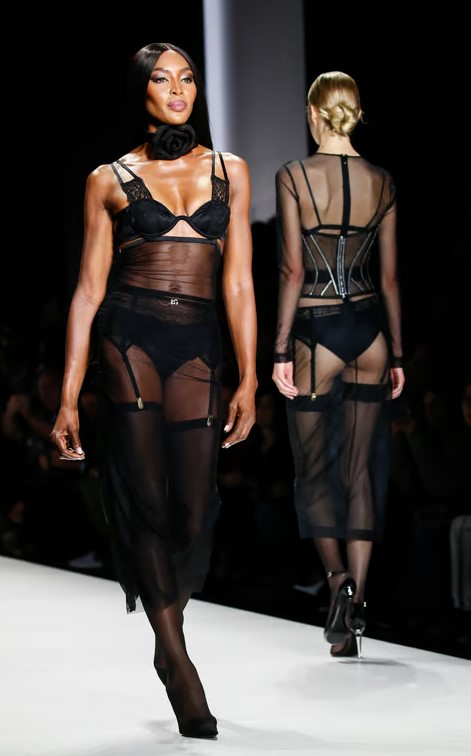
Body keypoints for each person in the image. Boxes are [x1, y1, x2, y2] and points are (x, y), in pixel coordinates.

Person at [50, 42, 257, 739]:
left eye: (187, 78)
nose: (178, 89)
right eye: (163, 78)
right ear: (140, 90)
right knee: (143, 496)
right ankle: (177, 660)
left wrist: (251, 375)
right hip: (129, 335)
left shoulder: (230, 170)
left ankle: (168, 636)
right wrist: (68, 396)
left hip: (199, 342)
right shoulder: (108, 178)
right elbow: (87, 291)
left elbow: (238, 282)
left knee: (194, 507)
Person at [272, 71, 405, 658]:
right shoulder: (383, 181)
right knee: (359, 473)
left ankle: (339, 585)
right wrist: (397, 353)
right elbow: (390, 278)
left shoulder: (294, 176)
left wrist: (280, 349)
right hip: (369, 333)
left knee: (314, 474)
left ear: (314, 113)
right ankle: (357, 610)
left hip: (316, 330)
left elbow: (292, 271)